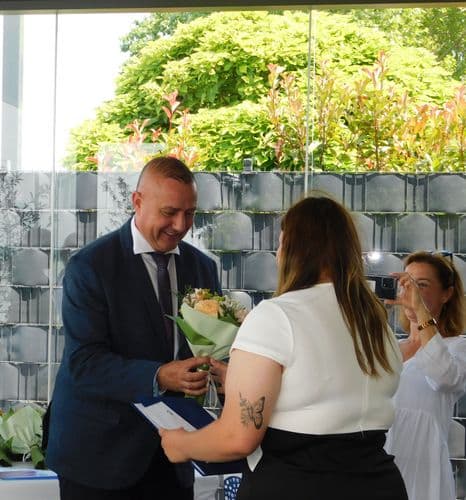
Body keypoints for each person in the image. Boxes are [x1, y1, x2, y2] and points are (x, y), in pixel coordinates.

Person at [160, 195, 408, 500]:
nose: (278, 255)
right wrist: (239, 380)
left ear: (293, 248)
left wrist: (180, 445)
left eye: (280, 244)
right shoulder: (374, 321)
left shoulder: (276, 315)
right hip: (379, 483)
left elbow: (238, 437)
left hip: (299, 485)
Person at [45, 156, 221, 500]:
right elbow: (84, 363)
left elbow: (211, 343)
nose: (180, 225)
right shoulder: (90, 266)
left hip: (172, 457)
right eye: (169, 212)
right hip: (98, 458)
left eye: (190, 213)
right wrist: (160, 376)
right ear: (137, 201)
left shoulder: (203, 268)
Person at [384, 251, 466, 500]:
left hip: (423, 470)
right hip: (380, 462)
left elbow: (444, 378)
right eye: (407, 284)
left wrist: (421, 311)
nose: (412, 292)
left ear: (446, 294)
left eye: (421, 285)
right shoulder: (389, 346)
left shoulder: (457, 347)